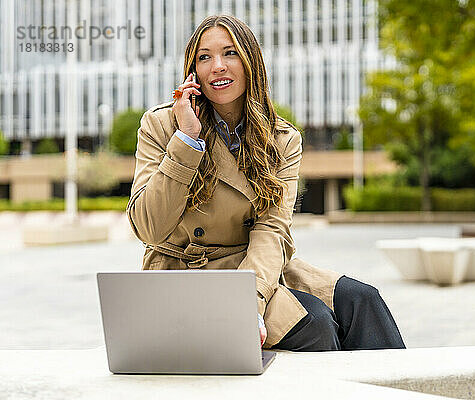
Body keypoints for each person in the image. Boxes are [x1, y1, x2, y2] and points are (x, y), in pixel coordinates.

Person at [126, 15, 405, 351]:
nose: (217, 66)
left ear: (250, 63)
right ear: (192, 73)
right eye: (204, 57)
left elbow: (272, 229)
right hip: (188, 271)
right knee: (314, 323)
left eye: (230, 53)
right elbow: (148, 228)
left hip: (253, 264)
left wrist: (250, 300)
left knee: (363, 300)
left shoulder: (281, 138)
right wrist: (187, 139)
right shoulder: (162, 125)